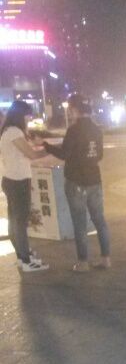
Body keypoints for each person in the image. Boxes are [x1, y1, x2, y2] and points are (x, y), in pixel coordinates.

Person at [44, 94, 111, 272]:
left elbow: (64, 154)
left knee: (80, 223)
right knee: (100, 220)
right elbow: (100, 155)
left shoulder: (74, 130)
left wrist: (47, 146)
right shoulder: (97, 129)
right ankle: (106, 258)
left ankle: (83, 262)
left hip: (76, 181)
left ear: (74, 109)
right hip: (94, 180)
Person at [0, 100, 49, 272]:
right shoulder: (14, 131)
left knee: (15, 220)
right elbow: (32, 155)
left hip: (12, 179)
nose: (28, 119)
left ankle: (22, 257)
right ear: (20, 115)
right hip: (18, 181)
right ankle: (26, 260)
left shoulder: (8, 131)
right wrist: (51, 149)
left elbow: (23, 153)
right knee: (20, 221)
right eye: (27, 116)